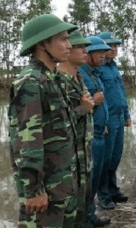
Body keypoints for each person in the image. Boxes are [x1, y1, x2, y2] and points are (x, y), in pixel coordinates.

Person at [8, 14, 80, 227]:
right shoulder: (31, 82)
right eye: (62, 39)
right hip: (44, 193)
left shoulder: (53, 79)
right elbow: (26, 141)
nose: (69, 45)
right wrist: (33, 190)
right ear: (42, 44)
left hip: (62, 186)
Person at [57, 30, 111, 228]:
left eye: (85, 47)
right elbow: (58, 120)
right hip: (70, 150)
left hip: (86, 142)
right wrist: (86, 108)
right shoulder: (58, 81)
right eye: (80, 47)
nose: (84, 51)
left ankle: (89, 216)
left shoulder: (79, 77)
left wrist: (98, 121)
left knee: (90, 185)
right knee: (75, 195)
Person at [78, 36, 112, 226]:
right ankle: (86, 219)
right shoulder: (79, 75)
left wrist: (104, 121)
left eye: (104, 51)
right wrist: (93, 102)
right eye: (98, 51)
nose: (103, 54)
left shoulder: (94, 74)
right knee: (88, 181)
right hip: (89, 136)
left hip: (100, 131)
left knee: (96, 177)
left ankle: (90, 216)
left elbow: (99, 103)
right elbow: (79, 107)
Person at [96, 31, 131, 208]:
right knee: (105, 159)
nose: (115, 49)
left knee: (116, 156)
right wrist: (102, 122)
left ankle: (113, 189)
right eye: (111, 46)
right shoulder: (97, 69)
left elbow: (120, 93)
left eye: (116, 46)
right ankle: (103, 195)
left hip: (118, 117)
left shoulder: (113, 66)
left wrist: (127, 115)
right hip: (107, 120)